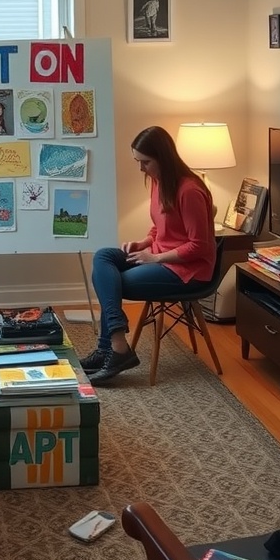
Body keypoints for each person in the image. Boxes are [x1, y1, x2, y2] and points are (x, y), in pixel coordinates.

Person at [79, 125, 216, 385]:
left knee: (115, 283)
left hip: (189, 271)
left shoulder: (190, 191)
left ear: (163, 158)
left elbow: (201, 246)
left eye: (145, 162)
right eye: (137, 162)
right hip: (161, 256)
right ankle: (113, 346)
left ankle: (114, 347)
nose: (141, 169)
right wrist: (144, 243)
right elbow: (161, 226)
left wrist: (155, 258)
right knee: (104, 256)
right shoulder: (158, 180)